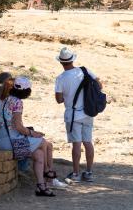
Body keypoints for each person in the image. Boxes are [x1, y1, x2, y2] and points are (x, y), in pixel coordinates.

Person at [0, 76, 61, 197]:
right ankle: (48, 171)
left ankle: (41, 186)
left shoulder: (1, 101)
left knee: (39, 155)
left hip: (2, 141)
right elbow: (18, 126)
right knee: (43, 142)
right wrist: (32, 133)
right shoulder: (17, 102)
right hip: (13, 142)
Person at [54, 47, 101, 182]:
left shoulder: (61, 78)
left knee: (76, 144)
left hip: (73, 114)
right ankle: (89, 172)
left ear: (61, 62)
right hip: (88, 112)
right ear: (72, 60)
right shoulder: (84, 71)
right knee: (88, 142)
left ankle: (75, 173)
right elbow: (99, 85)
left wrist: (67, 97)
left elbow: (59, 100)